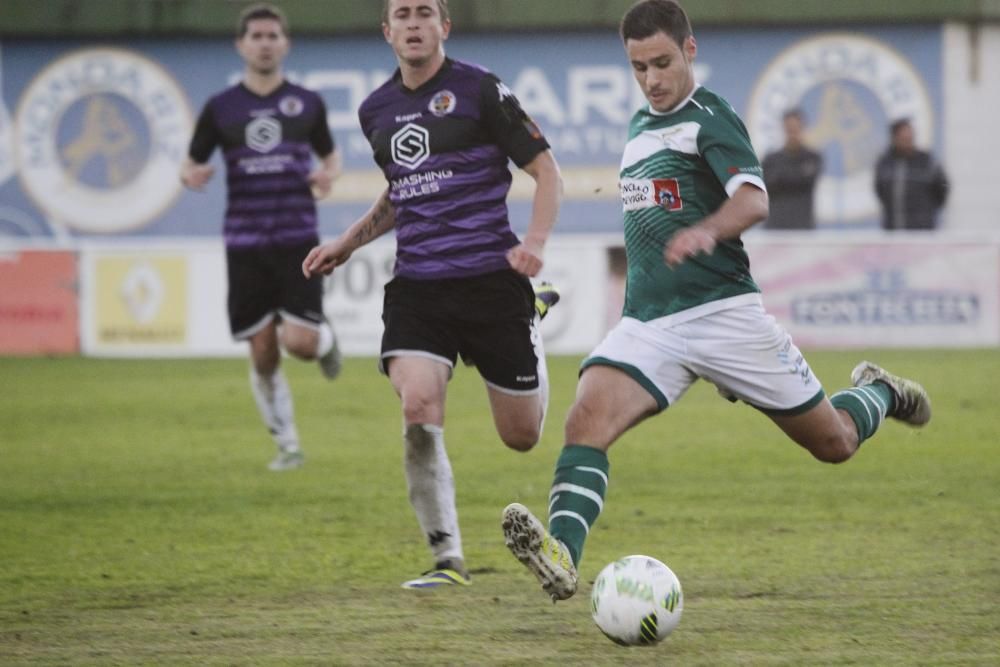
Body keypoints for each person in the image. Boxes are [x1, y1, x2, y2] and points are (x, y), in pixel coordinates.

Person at [501, 0, 932, 602]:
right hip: (649, 322)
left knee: (833, 442)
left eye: (662, 62)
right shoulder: (637, 127)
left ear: (690, 50)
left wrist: (709, 229)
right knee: (585, 418)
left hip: (725, 315)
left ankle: (880, 391)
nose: (652, 79)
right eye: (638, 68)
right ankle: (563, 558)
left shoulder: (710, 117)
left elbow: (754, 200)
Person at [302, 0, 562, 589]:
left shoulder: (480, 90)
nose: (414, 22)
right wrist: (347, 242)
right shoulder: (376, 111)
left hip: (492, 283)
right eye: (403, 13)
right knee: (418, 406)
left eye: (426, 12)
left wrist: (536, 242)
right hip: (419, 286)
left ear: (444, 26)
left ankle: (532, 312)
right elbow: (402, 194)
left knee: (520, 437)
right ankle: (448, 560)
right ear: (387, 29)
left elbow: (546, 170)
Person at [181, 3, 342, 472]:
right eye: (256, 36)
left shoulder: (307, 103)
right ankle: (288, 445)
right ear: (241, 45)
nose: (265, 43)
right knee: (263, 352)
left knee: (302, 345)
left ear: (284, 43)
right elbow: (190, 162)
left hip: (297, 239)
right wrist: (192, 176)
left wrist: (326, 176)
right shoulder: (221, 108)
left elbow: (330, 159)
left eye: (273, 35)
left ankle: (326, 341)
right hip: (245, 243)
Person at [874, 118, 949, 230]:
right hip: (893, 231)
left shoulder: (927, 161)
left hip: (922, 232)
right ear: (894, 138)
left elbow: (942, 190)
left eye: (909, 137)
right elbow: (879, 191)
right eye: (903, 137)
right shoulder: (885, 163)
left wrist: (925, 216)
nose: (907, 140)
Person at [761, 108, 823, 230]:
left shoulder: (813, 157)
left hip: (803, 228)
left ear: (803, 128)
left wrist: (781, 177)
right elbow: (767, 184)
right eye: (789, 130)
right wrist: (798, 174)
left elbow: (807, 181)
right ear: (783, 129)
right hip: (775, 227)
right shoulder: (771, 159)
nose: (793, 134)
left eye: (796, 129)